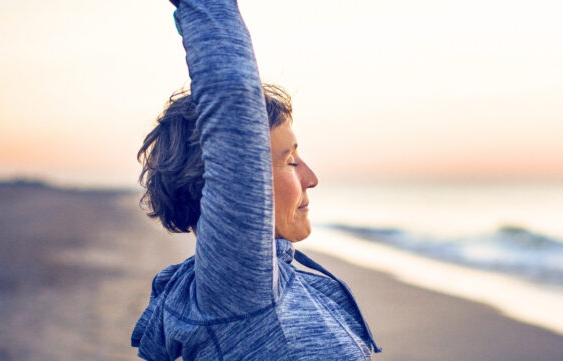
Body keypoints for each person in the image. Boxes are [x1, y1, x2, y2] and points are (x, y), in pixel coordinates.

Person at [132, 0, 382, 359]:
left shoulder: (279, 285)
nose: (311, 178)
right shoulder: (240, 288)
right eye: (290, 161)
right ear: (235, 188)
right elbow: (233, 100)